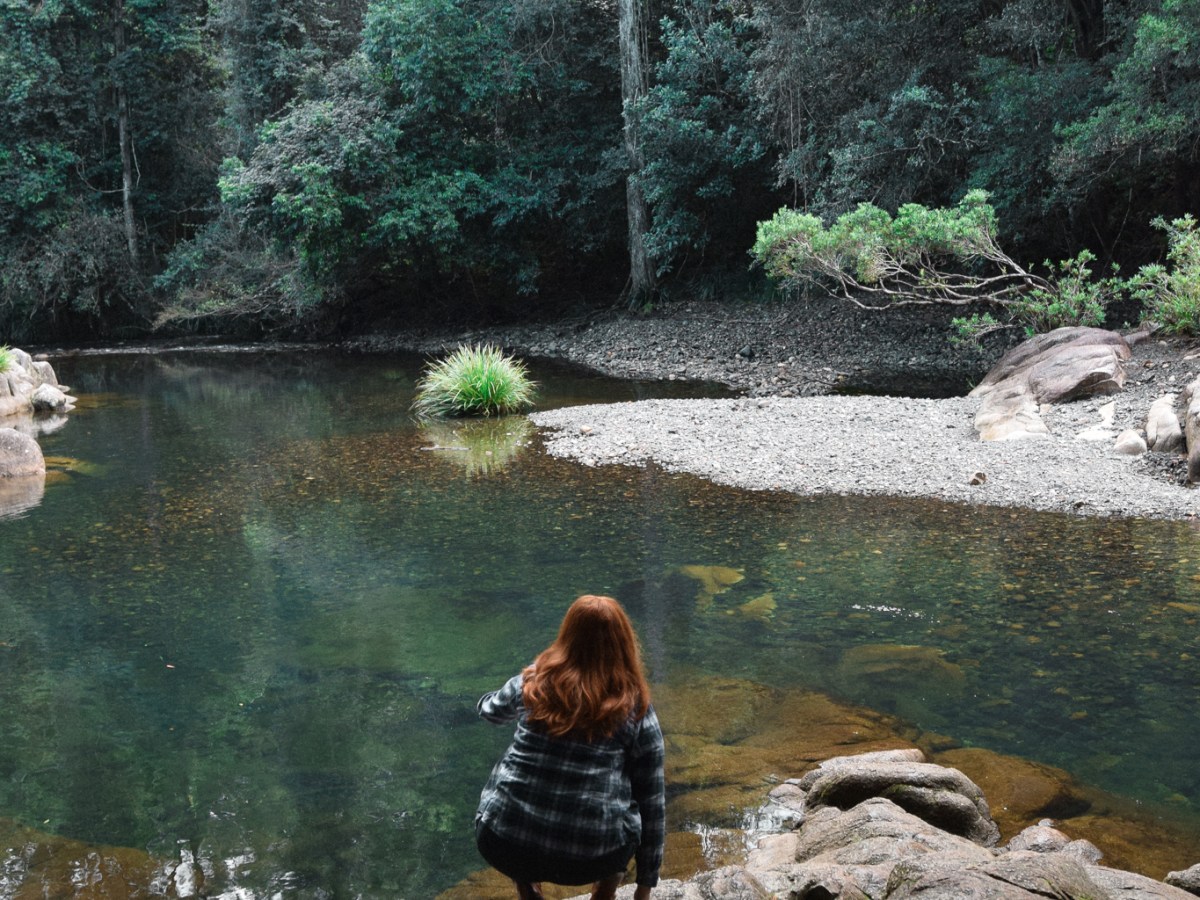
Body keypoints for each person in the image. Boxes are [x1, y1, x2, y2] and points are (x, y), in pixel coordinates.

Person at [475, 594, 665, 900]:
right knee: (633, 797)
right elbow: (653, 804)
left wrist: (485, 699)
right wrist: (644, 889)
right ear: (624, 644)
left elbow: (490, 711)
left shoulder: (531, 683)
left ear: (567, 636)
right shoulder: (637, 709)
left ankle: (527, 887)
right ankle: (606, 889)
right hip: (591, 859)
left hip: (503, 844)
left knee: (509, 779)